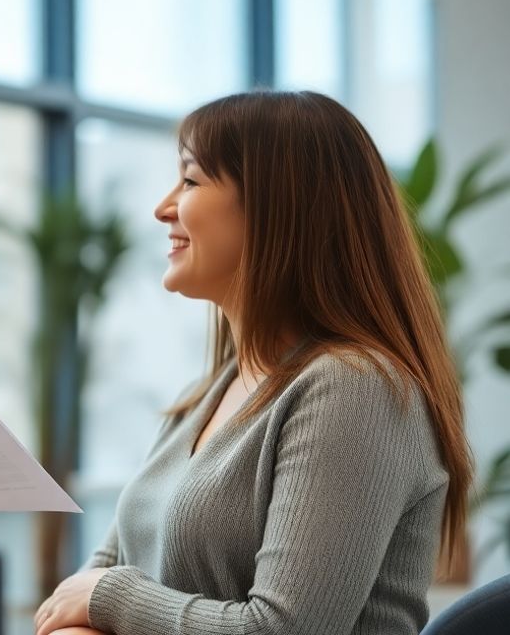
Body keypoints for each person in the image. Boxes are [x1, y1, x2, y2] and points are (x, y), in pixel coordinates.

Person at [34, 91, 473, 635]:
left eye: (191, 181)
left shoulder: (354, 389)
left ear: (277, 208)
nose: (163, 206)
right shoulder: (212, 388)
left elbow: (280, 630)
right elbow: (96, 578)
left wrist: (110, 600)